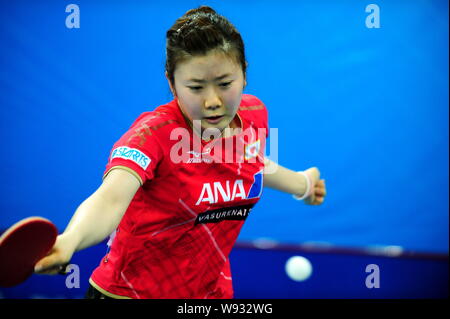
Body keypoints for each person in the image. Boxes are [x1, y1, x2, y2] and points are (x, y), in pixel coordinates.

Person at [34, 5, 327, 299]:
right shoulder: (153, 134)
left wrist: (302, 185)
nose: (213, 100)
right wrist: (70, 239)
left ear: (244, 74)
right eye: (196, 87)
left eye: (225, 84)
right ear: (172, 84)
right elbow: (111, 198)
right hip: (131, 294)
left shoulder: (253, 113)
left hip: (210, 294)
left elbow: (248, 162)